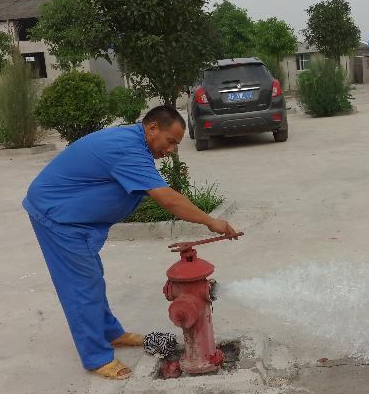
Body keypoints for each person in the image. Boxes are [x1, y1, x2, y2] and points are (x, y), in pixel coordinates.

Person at [23, 105, 236, 380]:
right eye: (170, 141)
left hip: (72, 218)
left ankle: (110, 332)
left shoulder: (135, 144)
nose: (172, 150)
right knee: (81, 286)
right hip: (56, 216)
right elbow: (168, 199)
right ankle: (96, 357)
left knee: (91, 277)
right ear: (152, 128)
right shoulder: (128, 150)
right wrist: (211, 221)